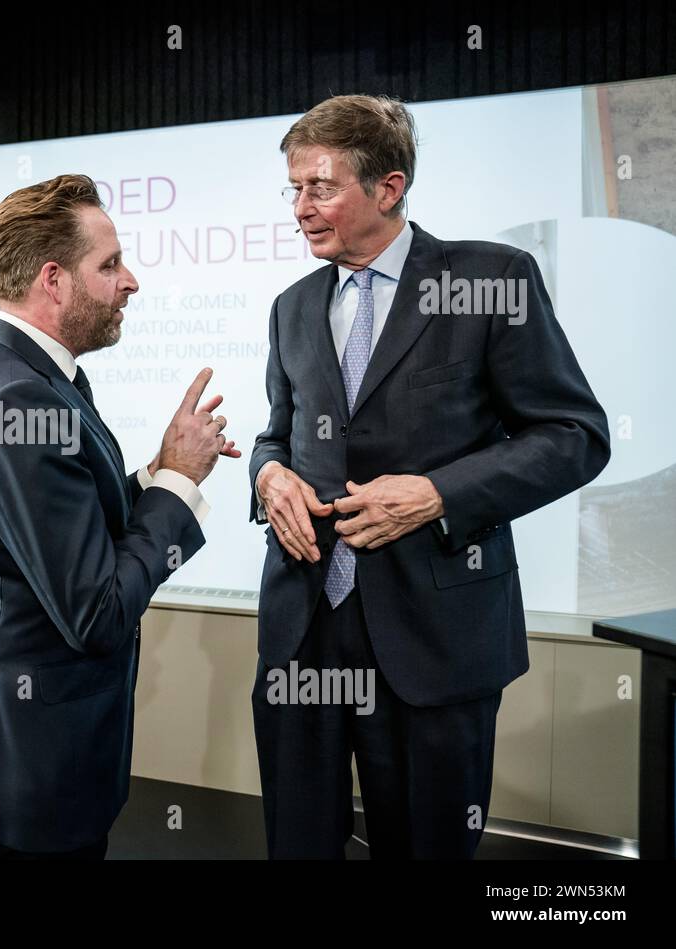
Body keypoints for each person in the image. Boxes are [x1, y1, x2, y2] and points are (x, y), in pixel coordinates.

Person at [249, 95, 611, 858]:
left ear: (389, 186)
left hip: (434, 636)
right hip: (305, 626)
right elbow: (276, 434)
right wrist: (269, 475)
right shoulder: (291, 307)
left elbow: (574, 435)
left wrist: (439, 493)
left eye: (320, 187)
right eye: (294, 189)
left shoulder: (491, 278)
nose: (300, 209)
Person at [0, 173, 239, 859]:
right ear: (54, 280)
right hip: (30, 758)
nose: (130, 281)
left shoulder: (22, 376)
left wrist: (160, 469)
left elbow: (70, 521)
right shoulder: (21, 403)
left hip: (33, 744)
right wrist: (180, 484)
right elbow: (97, 610)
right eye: (110, 264)